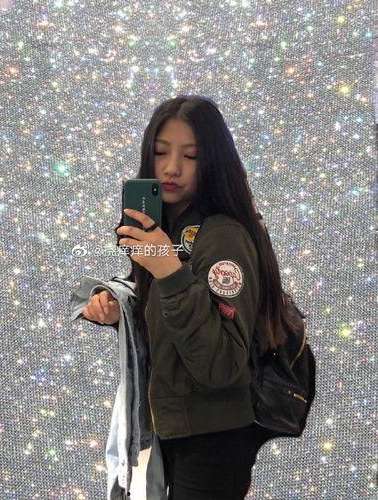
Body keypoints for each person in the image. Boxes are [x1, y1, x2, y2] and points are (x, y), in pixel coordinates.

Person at [81, 95, 299, 499]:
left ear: (213, 161)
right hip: (173, 426)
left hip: (212, 438)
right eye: (161, 152)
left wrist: (170, 271)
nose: (172, 167)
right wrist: (120, 307)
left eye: (191, 156)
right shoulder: (169, 228)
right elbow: (172, 317)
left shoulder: (223, 236)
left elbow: (221, 364)